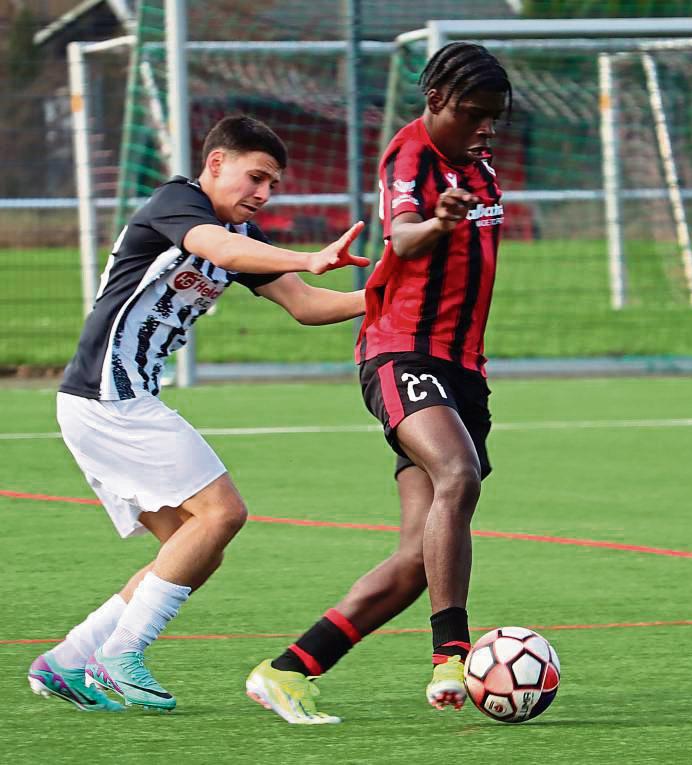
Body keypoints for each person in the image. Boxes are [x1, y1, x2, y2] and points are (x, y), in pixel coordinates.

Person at [27, 115, 369, 712]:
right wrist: (310, 256)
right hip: (110, 396)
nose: (262, 194)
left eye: (273, 185)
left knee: (192, 549)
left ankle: (70, 660)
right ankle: (120, 657)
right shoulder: (177, 204)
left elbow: (309, 306)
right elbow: (222, 247)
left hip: (112, 401)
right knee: (223, 513)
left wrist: (394, 295)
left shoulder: (238, 234)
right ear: (216, 165)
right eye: (254, 177)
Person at [246, 42, 512, 724]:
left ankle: (288, 670)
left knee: (420, 554)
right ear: (436, 102)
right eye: (475, 114)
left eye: (495, 117)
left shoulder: (481, 168)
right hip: (400, 352)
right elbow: (402, 235)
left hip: (463, 368)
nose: (487, 128)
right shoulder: (411, 153)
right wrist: (439, 221)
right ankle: (451, 653)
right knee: (459, 471)